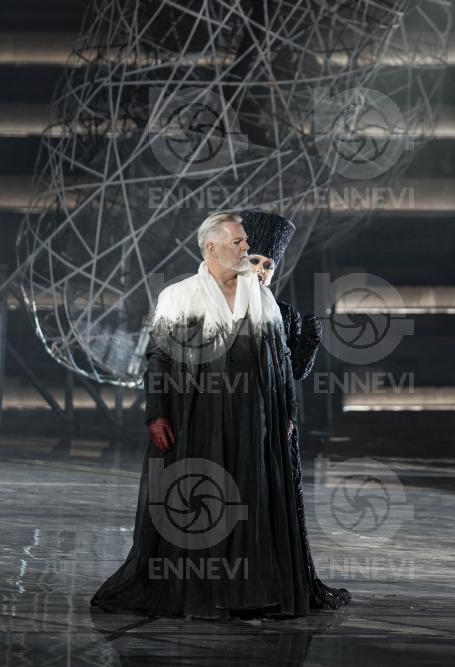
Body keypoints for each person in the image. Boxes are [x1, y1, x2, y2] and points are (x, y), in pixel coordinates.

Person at [91, 212, 328, 619]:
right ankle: (199, 593)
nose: (246, 248)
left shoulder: (263, 298)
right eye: (237, 242)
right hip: (197, 414)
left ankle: (248, 592)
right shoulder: (178, 295)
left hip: (254, 417)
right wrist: (156, 414)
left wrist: (288, 414)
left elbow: (281, 360)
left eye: (245, 241)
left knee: (252, 497)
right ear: (211, 248)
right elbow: (159, 358)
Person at [238, 208, 352, 610]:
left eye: (268, 265)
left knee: (273, 500)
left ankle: (272, 583)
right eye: (255, 261)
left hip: (275, 420)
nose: (261, 271)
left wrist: (309, 339)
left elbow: (294, 373)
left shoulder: (283, 313)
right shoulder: (218, 307)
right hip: (232, 418)